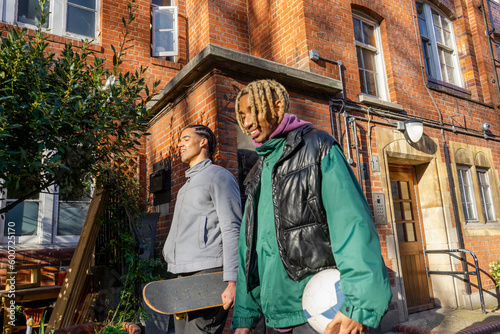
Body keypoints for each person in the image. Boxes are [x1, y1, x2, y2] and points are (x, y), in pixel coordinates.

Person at [231, 79, 391, 334]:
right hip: (274, 321)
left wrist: (358, 306)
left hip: (323, 313)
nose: (247, 122)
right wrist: (244, 316)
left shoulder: (318, 148)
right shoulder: (256, 174)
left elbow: (351, 225)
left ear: (278, 105)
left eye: (254, 110)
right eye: (242, 115)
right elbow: (249, 251)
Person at [162, 124, 242, 334]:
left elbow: (232, 228)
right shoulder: (184, 188)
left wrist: (232, 280)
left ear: (203, 142)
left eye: (186, 138)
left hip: (208, 275)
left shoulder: (219, 177)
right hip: (181, 276)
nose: (180, 144)